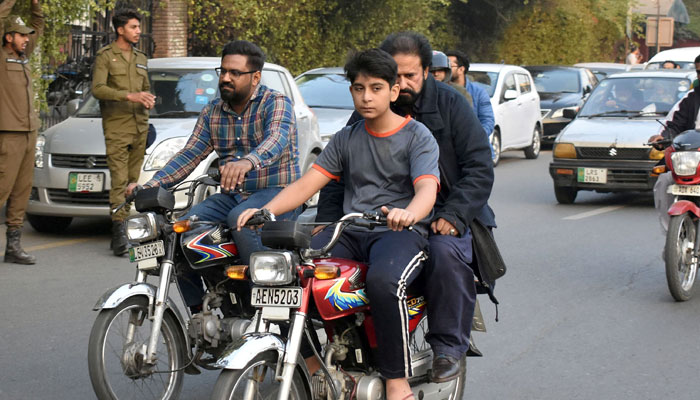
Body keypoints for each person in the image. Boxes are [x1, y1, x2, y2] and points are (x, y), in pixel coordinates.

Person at [238, 48, 440, 400]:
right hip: (349, 231)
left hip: (398, 234)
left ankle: (396, 382)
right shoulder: (347, 138)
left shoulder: (417, 135)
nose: (366, 96)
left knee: (383, 281)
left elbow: (427, 187)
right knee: (290, 275)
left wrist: (409, 212)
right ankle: (316, 367)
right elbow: (307, 184)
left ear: (393, 91)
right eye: (359, 88)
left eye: (376, 88)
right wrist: (266, 211)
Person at [317, 32, 495, 383]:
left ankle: (447, 347)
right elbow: (337, 174)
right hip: (385, 219)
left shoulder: (452, 104)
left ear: (427, 72)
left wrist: (454, 215)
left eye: (410, 75)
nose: (401, 83)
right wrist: (326, 223)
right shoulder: (369, 110)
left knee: (444, 255)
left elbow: (479, 167)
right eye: (393, 75)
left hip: (446, 211)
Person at [127, 40, 301, 310]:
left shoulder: (276, 103)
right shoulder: (212, 111)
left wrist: (248, 162)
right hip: (231, 197)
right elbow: (190, 154)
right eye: (223, 71)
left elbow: (276, 140)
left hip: (275, 191)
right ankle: (200, 314)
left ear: (255, 77)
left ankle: (265, 303)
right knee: (178, 233)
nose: (226, 78)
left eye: (235, 73)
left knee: (241, 220)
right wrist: (151, 184)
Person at [92, 8, 155, 256]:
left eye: (139, 27)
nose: (138, 31)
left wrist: (148, 99)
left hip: (139, 125)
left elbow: (145, 88)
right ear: (120, 30)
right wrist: (128, 95)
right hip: (117, 127)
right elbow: (98, 88)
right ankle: (118, 231)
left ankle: (129, 225)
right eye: (133, 27)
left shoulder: (141, 57)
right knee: (119, 180)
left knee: (132, 181)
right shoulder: (106, 56)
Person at [0, 0, 44, 265]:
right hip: (9, 135)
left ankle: (13, 247)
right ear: (8, 37)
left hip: (29, 132)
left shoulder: (22, 57)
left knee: (21, 192)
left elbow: (37, 27)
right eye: (21, 35)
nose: (27, 39)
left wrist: (35, 6)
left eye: (28, 36)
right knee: (2, 188)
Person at [649, 54, 700, 233]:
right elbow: (673, 125)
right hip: (690, 160)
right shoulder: (690, 99)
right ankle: (673, 237)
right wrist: (662, 138)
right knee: (664, 181)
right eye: (699, 72)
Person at [446, 50, 495, 139]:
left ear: (461, 69)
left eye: (449, 66)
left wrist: (474, 137)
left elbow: (487, 121)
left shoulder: (479, 93)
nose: (445, 69)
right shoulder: (441, 90)